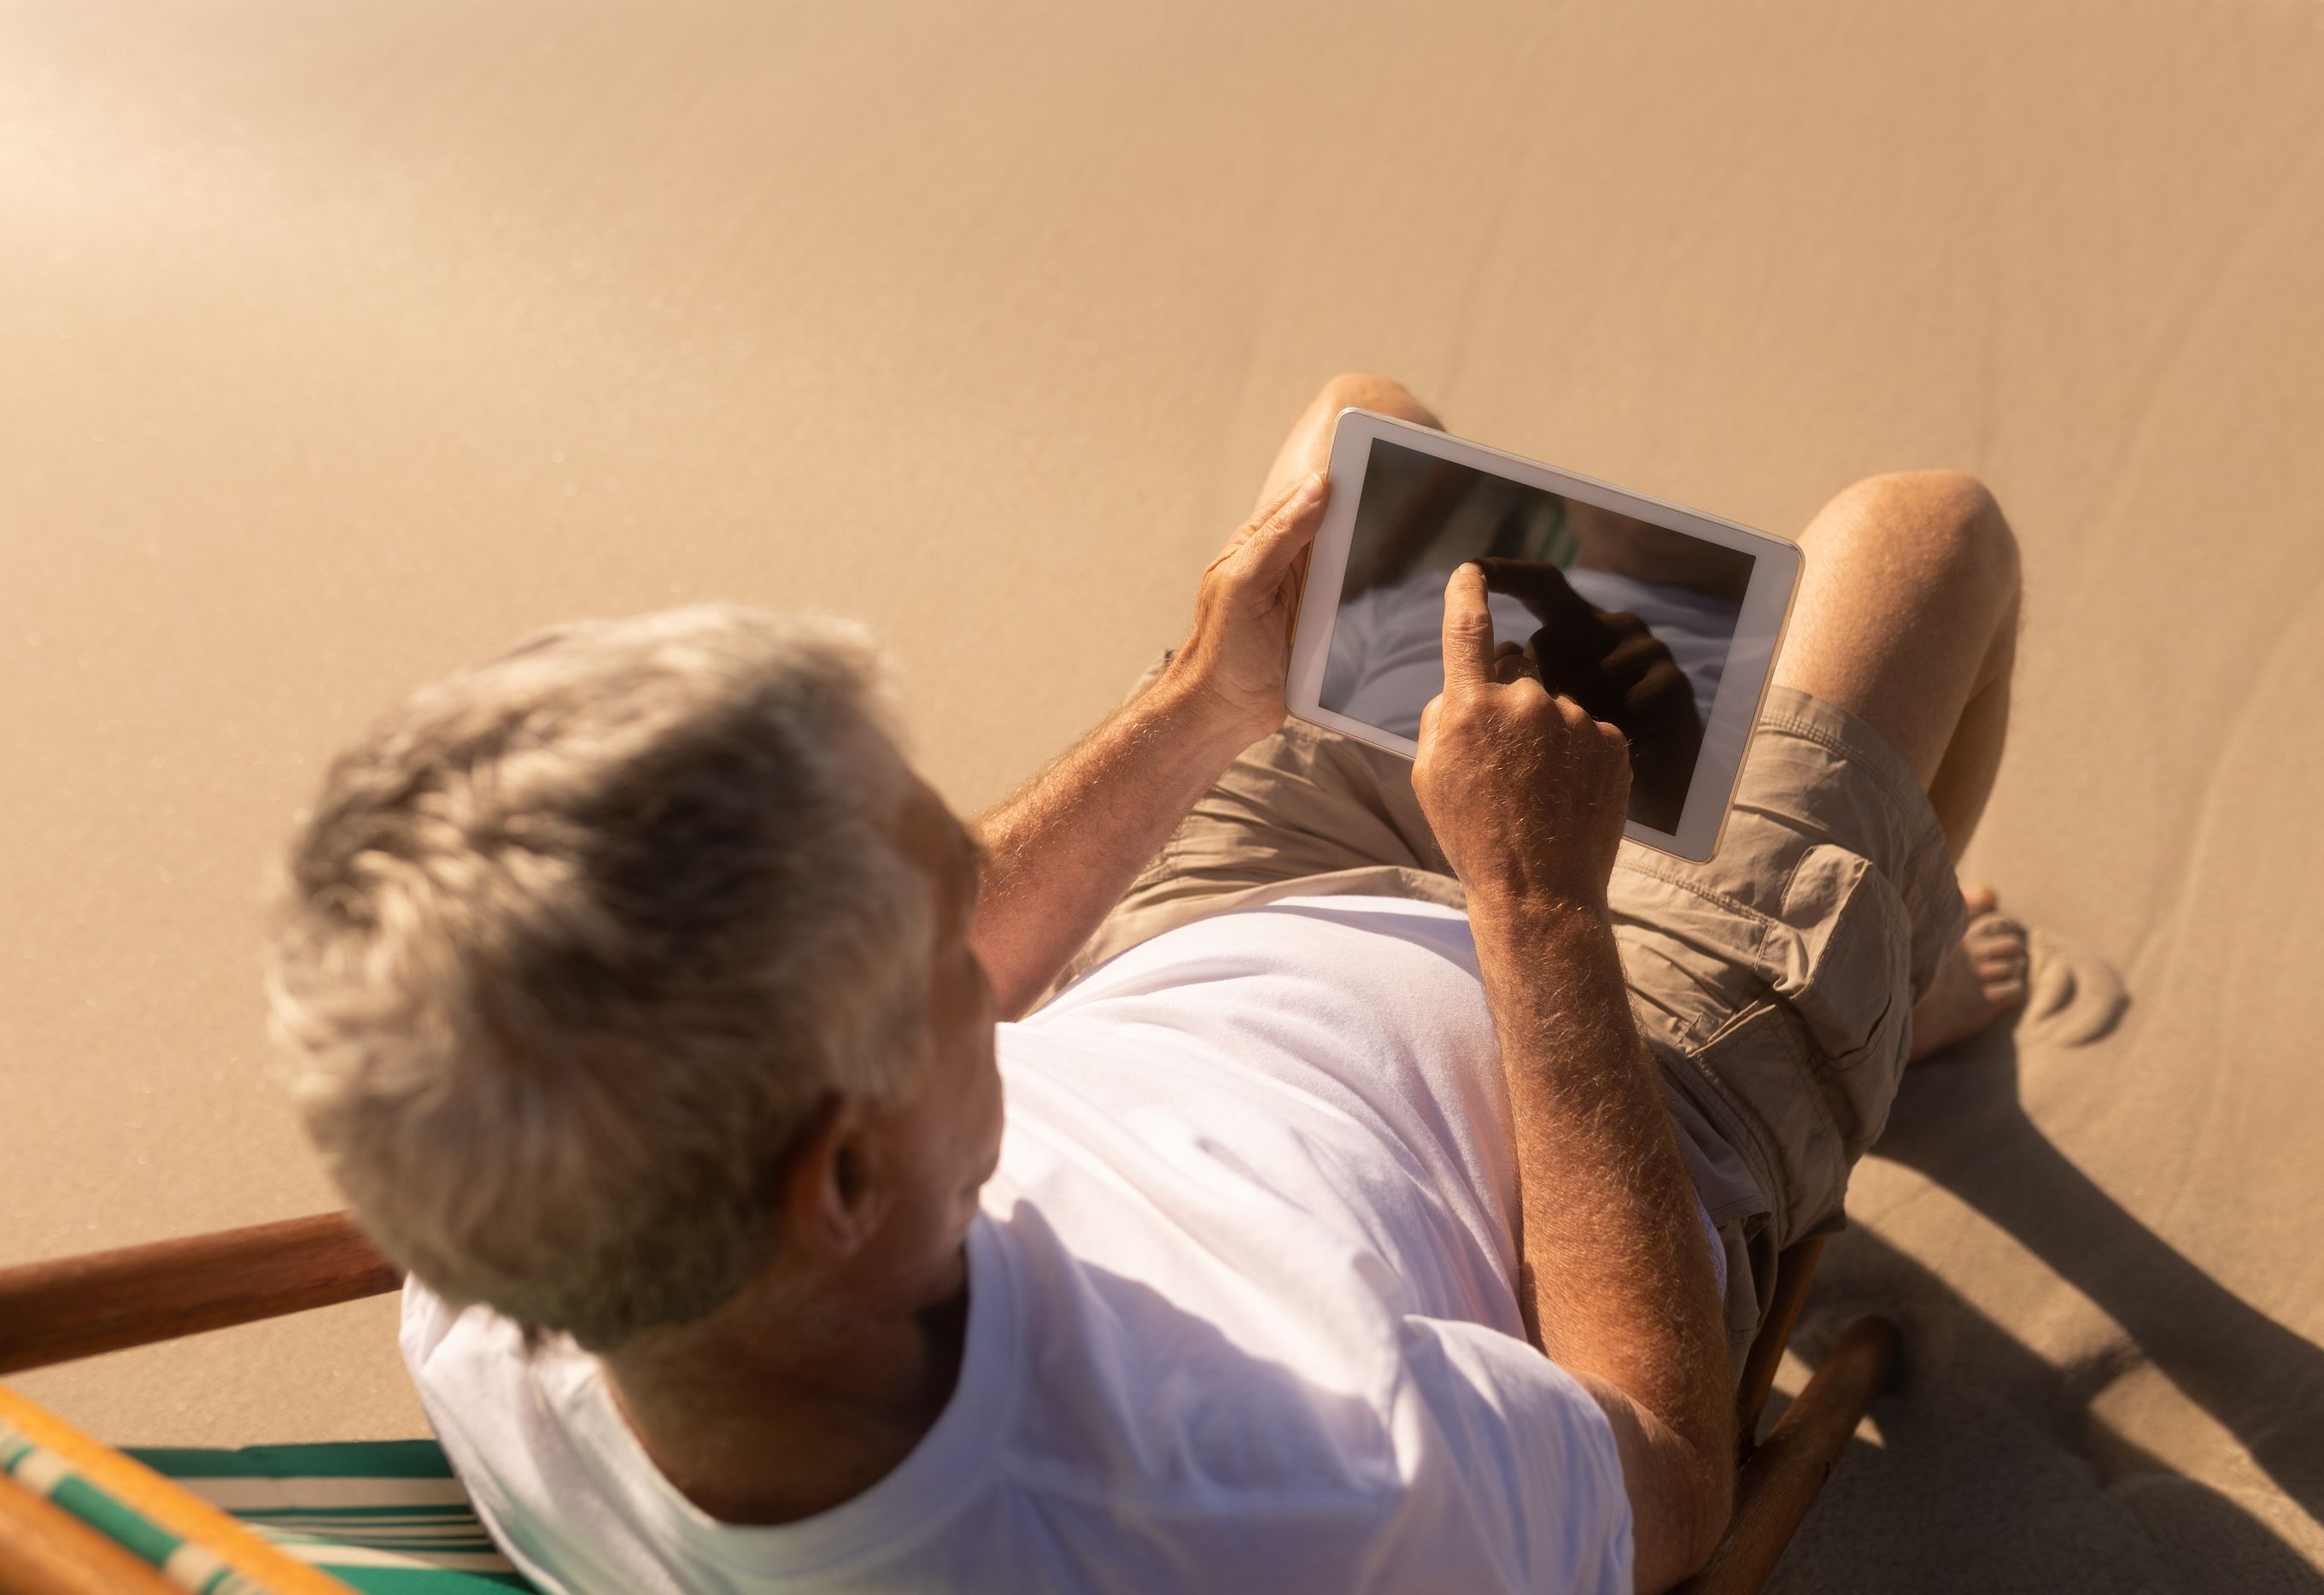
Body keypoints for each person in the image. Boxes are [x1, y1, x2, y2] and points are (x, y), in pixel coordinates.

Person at [266, 374, 2028, 1595]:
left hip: (1199, 954)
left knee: (1360, 446)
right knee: (1921, 532)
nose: (972, 890)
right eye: (931, 924)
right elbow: (1657, 1480)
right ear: (844, 1178)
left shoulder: (500, 1314)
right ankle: (1889, 995)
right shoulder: (1276, 1494)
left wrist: (1198, 704)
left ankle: (1816, 929)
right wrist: (1537, 907)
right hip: (1607, 1044)